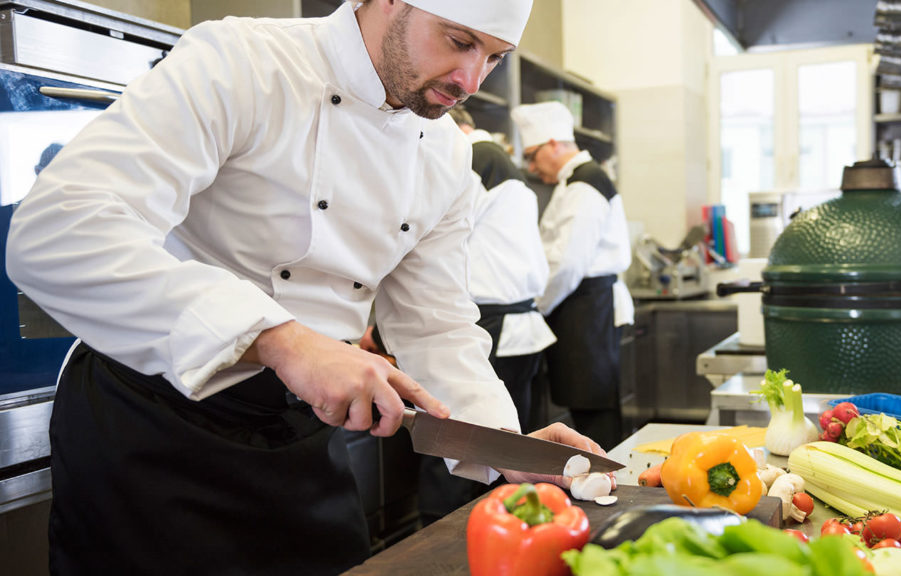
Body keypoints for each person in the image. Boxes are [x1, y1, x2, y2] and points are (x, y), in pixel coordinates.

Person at [5, 2, 610, 574]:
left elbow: (435, 322)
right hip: (150, 424)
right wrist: (281, 339)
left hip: (300, 433)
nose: (472, 79)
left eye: (496, 57)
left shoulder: (448, 154)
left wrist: (502, 441)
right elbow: (56, 232)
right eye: (459, 41)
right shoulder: (243, 61)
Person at [414, 104, 557, 524]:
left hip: (488, 326)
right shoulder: (501, 162)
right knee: (504, 451)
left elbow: (425, 251)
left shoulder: (471, 157)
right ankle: (504, 532)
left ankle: (449, 547)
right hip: (520, 328)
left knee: (456, 448)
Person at [511, 100, 634, 450]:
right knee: (590, 405)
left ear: (553, 144)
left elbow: (567, 264)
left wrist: (535, 306)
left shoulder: (585, 183)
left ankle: (607, 489)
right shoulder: (575, 181)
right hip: (583, 306)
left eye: (533, 156)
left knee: (593, 410)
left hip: (585, 306)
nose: (532, 167)